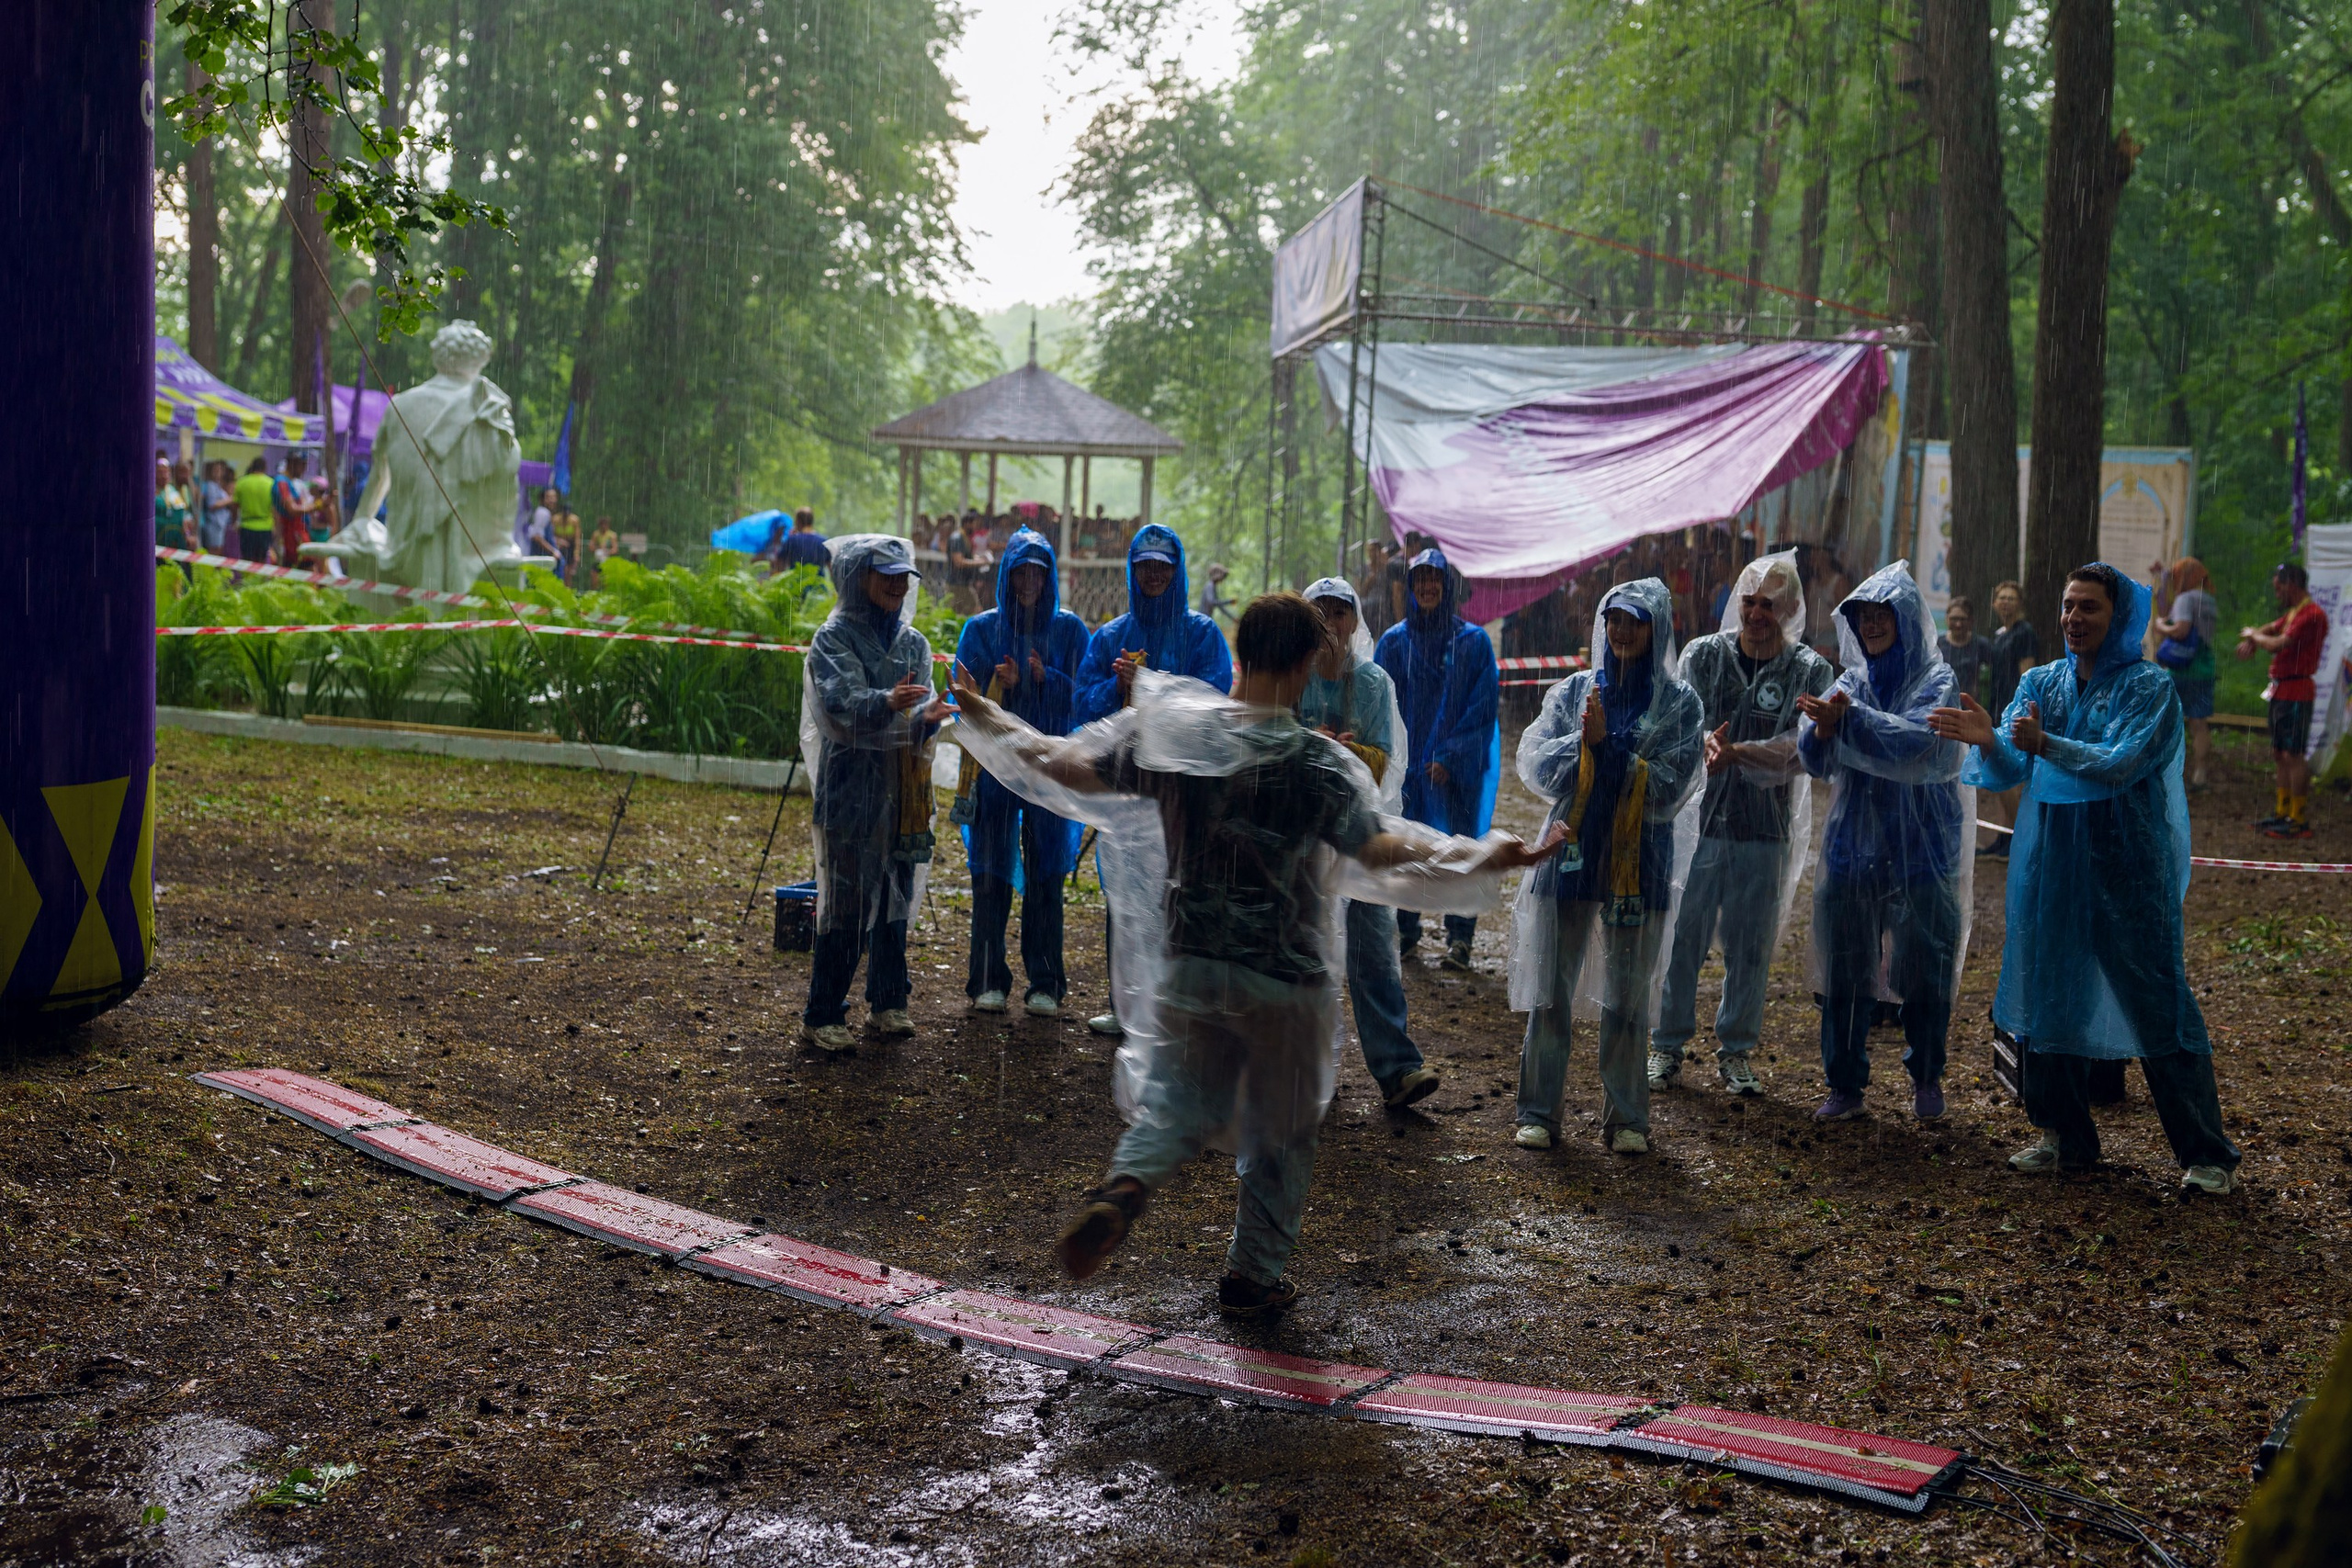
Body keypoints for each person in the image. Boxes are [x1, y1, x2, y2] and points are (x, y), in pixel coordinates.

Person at [949, 593, 1556, 1317]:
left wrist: (985, 717)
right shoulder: (1320, 764)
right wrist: (1486, 853)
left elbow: (1063, 763)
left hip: (1192, 962)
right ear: (1306, 665)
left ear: (1239, 654)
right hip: (1284, 977)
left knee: (1175, 1104)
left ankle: (1127, 1184)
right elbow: (1385, 849)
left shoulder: (1173, 735)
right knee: (1282, 1128)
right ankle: (1251, 1274)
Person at [1930, 563, 2240, 1191]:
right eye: (2069, 606)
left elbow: (2121, 762)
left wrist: (2046, 745)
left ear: (2119, 615)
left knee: (2159, 1006)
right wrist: (1991, 741)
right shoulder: (2041, 680)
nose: (2074, 618)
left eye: (2090, 608)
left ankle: (2206, 1154)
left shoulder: (2151, 688)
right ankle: (2062, 1134)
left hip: (2130, 872)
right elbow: (2014, 758)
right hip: (2054, 867)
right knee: (2049, 995)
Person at [1510, 578, 1704, 1155]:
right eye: (1614, 619)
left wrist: (1611, 749)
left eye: (1635, 621)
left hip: (1638, 862)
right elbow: (1537, 765)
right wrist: (1586, 745)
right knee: (1551, 991)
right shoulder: (1574, 691)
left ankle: (1626, 1119)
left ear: (1658, 629)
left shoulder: (1679, 704)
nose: (1621, 632)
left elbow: (1670, 789)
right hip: (1569, 852)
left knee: (1628, 996)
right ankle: (1540, 1112)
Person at [1647, 552, 1837, 1097]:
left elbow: (1803, 751)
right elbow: (1675, 724)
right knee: (1684, 938)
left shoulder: (1810, 671)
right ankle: (1667, 1044)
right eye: (1749, 602)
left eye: (1769, 605)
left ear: (1792, 607)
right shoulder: (1702, 656)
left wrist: (1738, 754)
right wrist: (1701, 742)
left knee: (1750, 947)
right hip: (1698, 826)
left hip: (1764, 830)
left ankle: (1736, 1052)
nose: (1756, 614)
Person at [1796, 560, 1969, 1124]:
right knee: (1846, 972)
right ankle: (1844, 1084)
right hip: (1854, 846)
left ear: (1907, 620)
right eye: (1863, 616)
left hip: (1923, 848)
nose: (1871, 626)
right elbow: (1814, 758)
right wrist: (1824, 730)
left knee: (1925, 966)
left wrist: (1850, 723)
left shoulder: (1938, 681)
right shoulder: (1850, 682)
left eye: (1882, 615)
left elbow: (1924, 745)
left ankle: (1926, 1075)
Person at [1073, 524, 1236, 1037]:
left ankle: (1174, 1005)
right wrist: (1115, 688)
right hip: (1125, 784)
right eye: (1145, 566)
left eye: (1162, 567)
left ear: (1176, 571)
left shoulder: (1203, 634)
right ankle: (1125, 1005)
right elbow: (1083, 705)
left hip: (1184, 786)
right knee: (1124, 890)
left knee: (1180, 890)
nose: (1154, 575)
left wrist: (1151, 688)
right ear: (1133, 571)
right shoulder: (1111, 637)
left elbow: (1213, 700)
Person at [798, 535, 948, 1054]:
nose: (895, 584)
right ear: (857, 577)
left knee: (895, 899)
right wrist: (888, 701)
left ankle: (888, 1001)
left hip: (903, 791)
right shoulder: (833, 637)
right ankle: (823, 1013)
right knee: (847, 903)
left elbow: (919, 717)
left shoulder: (914, 645)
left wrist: (928, 718)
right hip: (851, 791)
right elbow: (839, 706)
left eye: (902, 575)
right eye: (884, 573)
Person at [1299, 577, 1440, 1110]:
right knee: (1307, 951)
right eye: (1321, 612)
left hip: (1360, 832)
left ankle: (1397, 1068)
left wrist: (1344, 757)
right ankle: (1309, 1069)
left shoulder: (1375, 683)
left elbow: (1388, 762)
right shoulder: (1295, 675)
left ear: (1355, 621)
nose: (1331, 623)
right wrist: (1319, 750)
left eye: (1340, 613)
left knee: (1374, 948)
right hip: (1305, 834)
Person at [953, 528, 1089, 1018]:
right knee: (990, 873)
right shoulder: (981, 629)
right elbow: (961, 699)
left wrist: (1041, 679)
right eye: (1020, 571)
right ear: (1007, 575)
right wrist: (994, 689)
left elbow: (1084, 699)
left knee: (1046, 873)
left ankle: (1045, 981)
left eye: (1038, 571)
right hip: (995, 770)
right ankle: (987, 979)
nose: (1029, 580)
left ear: (1049, 576)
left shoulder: (1069, 631)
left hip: (1048, 768)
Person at [1374, 547, 1501, 971]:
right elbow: (1382, 705)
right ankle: (1407, 933)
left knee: (1460, 849)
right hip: (1409, 772)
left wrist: (1450, 756)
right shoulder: (1393, 643)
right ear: (1411, 588)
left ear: (1448, 587)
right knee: (1406, 849)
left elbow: (1482, 708)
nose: (1428, 587)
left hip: (1456, 774)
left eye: (1435, 579)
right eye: (1420, 580)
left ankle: (1460, 938)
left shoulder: (1474, 643)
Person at [2238, 560, 2329, 839]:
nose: (2277, 593)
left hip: (2297, 691)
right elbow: (2271, 628)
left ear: (2292, 585)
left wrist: (2253, 635)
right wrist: (2255, 638)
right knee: (2279, 754)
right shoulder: (2294, 613)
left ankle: (2298, 819)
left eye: (2279, 589)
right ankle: (2281, 812)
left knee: (2293, 754)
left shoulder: (2311, 615)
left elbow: (2277, 643)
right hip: (2281, 690)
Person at [1979, 580, 2039, 855]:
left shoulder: (2024, 632)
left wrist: (2022, 713)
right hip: (1997, 708)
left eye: (2011, 598)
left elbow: (2028, 675)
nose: (2005, 602)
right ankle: (2005, 837)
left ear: (2020, 603)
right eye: (2001, 598)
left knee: (2008, 777)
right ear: (1994, 604)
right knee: (2003, 777)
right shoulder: (2001, 633)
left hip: (2013, 712)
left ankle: (2018, 840)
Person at [2153, 556, 2219, 789]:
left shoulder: (2185, 598)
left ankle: (2164, 772)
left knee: (2167, 720)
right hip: (2205, 667)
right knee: (2199, 722)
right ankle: (2200, 774)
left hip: (2182, 669)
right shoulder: (2209, 600)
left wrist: (2160, 625)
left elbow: (2180, 631)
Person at [271, 454, 324, 566]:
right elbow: (292, 510)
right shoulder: (282, 482)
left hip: (296, 533)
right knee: (304, 569)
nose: (304, 470)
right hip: (293, 535)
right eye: (302, 465)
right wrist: (318, 505)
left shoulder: (287, 482)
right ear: (293, 464)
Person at [1938, 596, 1988, 706]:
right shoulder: (1938, 644)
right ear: (1947, 618)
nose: (1958, 624)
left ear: (1971, 621)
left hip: (1972, 707)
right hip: (1943, 706)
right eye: (1954, 619)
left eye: (1963, 619)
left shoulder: (1982, 645)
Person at [233, 457, 277, 565]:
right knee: (261, 560)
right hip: (265, 527)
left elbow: (235, 505)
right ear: (265, 468)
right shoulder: (271, 483)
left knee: (247, 560)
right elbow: (274, 508)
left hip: (247, 526)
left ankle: (248, 581)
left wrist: (235, 521)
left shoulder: (242, 482)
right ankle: (259, 580)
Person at [199, 459, 235, 554]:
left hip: (219, 525)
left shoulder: (218, 486)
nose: (218, 473)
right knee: (214, 552)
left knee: (218, 550)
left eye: (220, 470)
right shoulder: (210, 485)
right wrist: (230, 500)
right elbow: (212, 504)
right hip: (213, 524)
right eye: (215, 470)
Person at [778, 506, 831, 570]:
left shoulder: (792, 540)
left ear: (798, 521)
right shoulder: (824, 542)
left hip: (796, 579)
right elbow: (831, 567)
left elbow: (780, 564)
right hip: (817, 580)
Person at [154, 458, 190, 549]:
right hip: (156, 536)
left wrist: (187, 534)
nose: (163, 476)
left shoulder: (172, 491)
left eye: (166, 472)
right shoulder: (151, 491)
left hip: (173, 539)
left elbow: (181, 513)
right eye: (160, 472)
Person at [1199, 561, 1238, 627]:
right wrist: (1229, 601)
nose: (1223, 579)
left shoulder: (1213, 587)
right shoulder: (1209, 586)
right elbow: (1212, 602)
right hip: (1203, 620)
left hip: (1206, 620)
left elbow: (1220, 607)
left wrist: (1232, 618)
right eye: (1223, 576)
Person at [587, 516, 621, 587]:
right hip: (597, 561)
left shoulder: (612, 535)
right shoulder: (596, 534)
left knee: (606, 583)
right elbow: (590, 547)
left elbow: (615, 549)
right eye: (602, 524)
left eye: (605, 524)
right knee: (594, 582)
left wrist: (607, 551)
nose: (603, 526)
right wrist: (599, 548)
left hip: (607, 561)